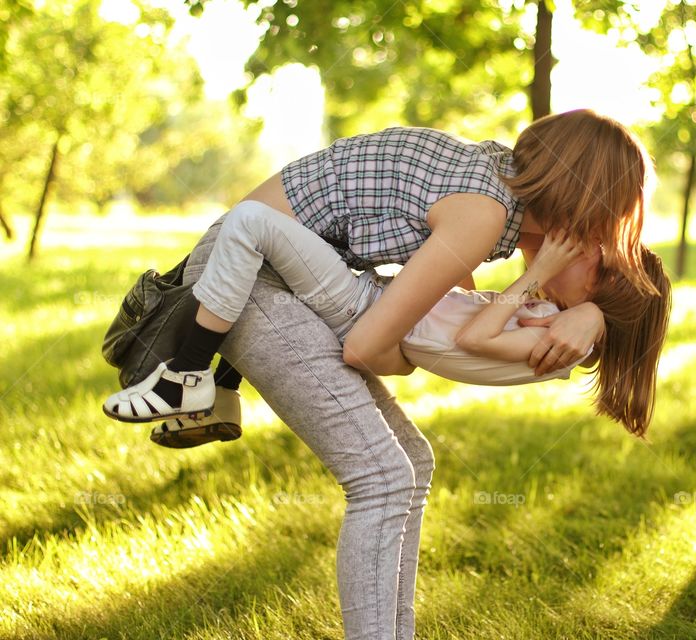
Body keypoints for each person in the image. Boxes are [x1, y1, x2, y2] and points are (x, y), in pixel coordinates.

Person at [104, 109, 658, 639]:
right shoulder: (484, 215)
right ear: (583, 204)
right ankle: (192, 378)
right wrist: (413, 356)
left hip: (285, 272)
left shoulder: (488, 186)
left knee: (412, 461)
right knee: (382, 476)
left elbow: (436, 302)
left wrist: (593, 312)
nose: (599, 242)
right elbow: (367, 348)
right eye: (604, 229)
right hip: (253, 274)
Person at [105, 201, 671, 444]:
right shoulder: (560, 328)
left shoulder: (555, 349)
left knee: (251, 222)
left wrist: (539, 272)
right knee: (263, 241)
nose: (582, 252)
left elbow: (473, 336)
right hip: (372, 299)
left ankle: (187, 374)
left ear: (613, 294)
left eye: (600, 264)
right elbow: (464, 313)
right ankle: (219, 390)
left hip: (361, 308)